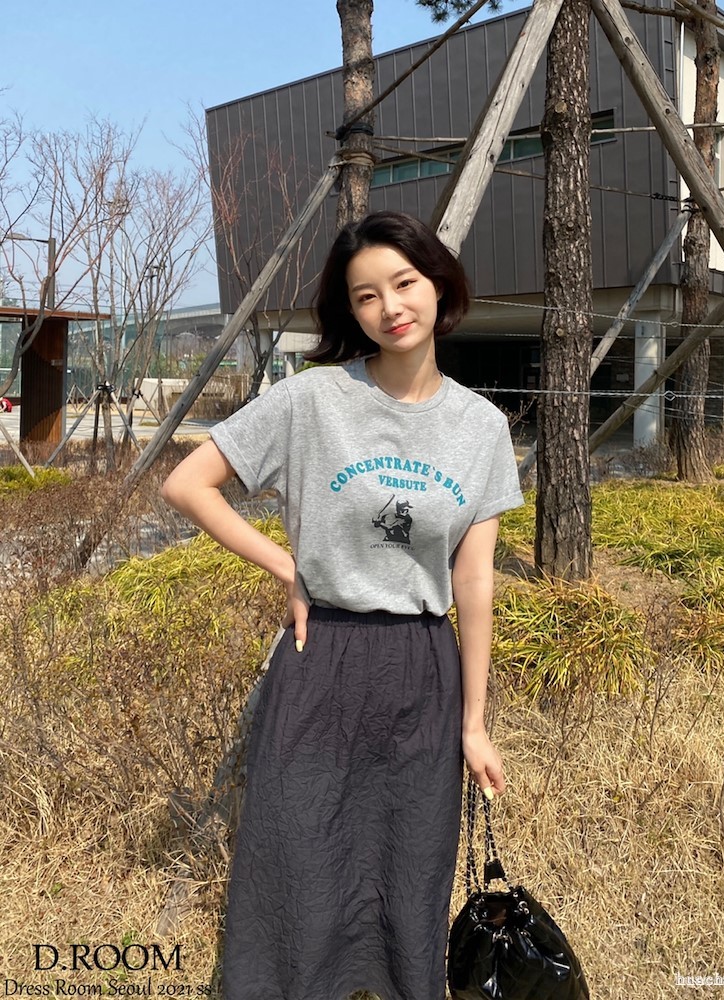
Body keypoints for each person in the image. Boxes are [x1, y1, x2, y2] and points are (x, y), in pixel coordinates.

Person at [161, 211, 524, 1000]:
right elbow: (187, 484)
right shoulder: (313, 400)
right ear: (350, 311)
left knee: (411, 861)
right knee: (298, 850)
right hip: (320, 656)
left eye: (404, 283)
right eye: (366, 296)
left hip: (422, 669)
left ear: (438, 285)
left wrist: (474, 722)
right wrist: (284, 565)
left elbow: (474, 585)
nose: (390, 307)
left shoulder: (481, 429)